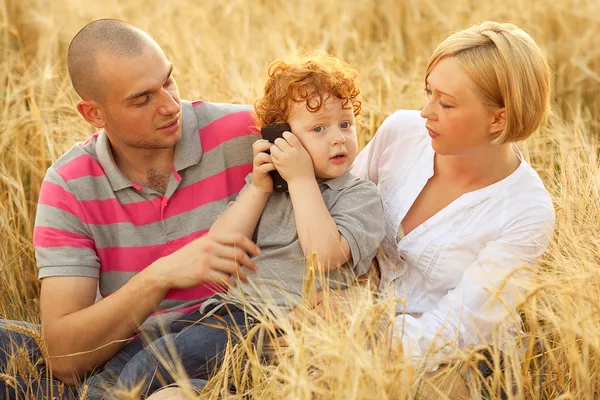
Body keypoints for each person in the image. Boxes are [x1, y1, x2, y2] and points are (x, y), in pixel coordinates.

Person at [1, 18, 263, 399]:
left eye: (168, 81)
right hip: (120, 358)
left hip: (224, 354)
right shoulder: (69, 185)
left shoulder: (245, 133)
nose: (171, 106)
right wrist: (161, 276)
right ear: (93, 114)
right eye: (143, 99)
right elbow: (63, 356)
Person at [352, 20, 555, 386]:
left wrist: (350, 333)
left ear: (499, 118)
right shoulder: (401, 132)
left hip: (449, 368)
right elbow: (340, 214)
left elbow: (453, 331)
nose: (426, 111)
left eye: (445, 103)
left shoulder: (527, 211)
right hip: (350, 320)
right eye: (428, 92)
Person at [202, 54, 385, 316]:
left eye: (345, 124)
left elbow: (322, 257)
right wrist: (258, 188)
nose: (338, 139)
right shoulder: (267, 187)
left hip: (277, 319)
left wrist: (301, 179)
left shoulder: (360, 195)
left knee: (160, 357)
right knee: (144, 351)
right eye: (319, 128)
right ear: (281, 135)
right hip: (230, 307)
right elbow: (221, 248)